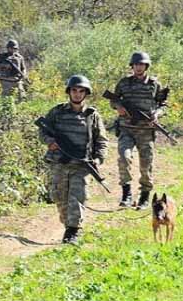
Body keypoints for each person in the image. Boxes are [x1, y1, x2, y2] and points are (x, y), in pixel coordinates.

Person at [38, 75, 108, 244]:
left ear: (86, 93)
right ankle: (68, 223)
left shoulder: (92, 115)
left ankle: (72, 231)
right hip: (59, 163)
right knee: (60, 198)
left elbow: (102, 141)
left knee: (78, 196)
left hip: (81, 165)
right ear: (69, 92)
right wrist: (50, 142)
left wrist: (98, 159)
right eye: (74, 90)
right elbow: (43, 131)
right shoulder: (57, 112)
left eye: (81, 91)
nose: (77, 94)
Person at [110, 52, 167, 210]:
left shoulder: (155, 84)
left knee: (146, 165)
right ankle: (126, 194)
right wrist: (118, 107)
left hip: (146, 131)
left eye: (141, 65)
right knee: (124, 157)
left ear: (146, 66)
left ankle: (144, 197)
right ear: (132, 66)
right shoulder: (123, 83)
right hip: (126, 129)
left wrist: (157, 114)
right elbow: (113, 100)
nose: (138, 67)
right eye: (136, 64)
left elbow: (163, 104)